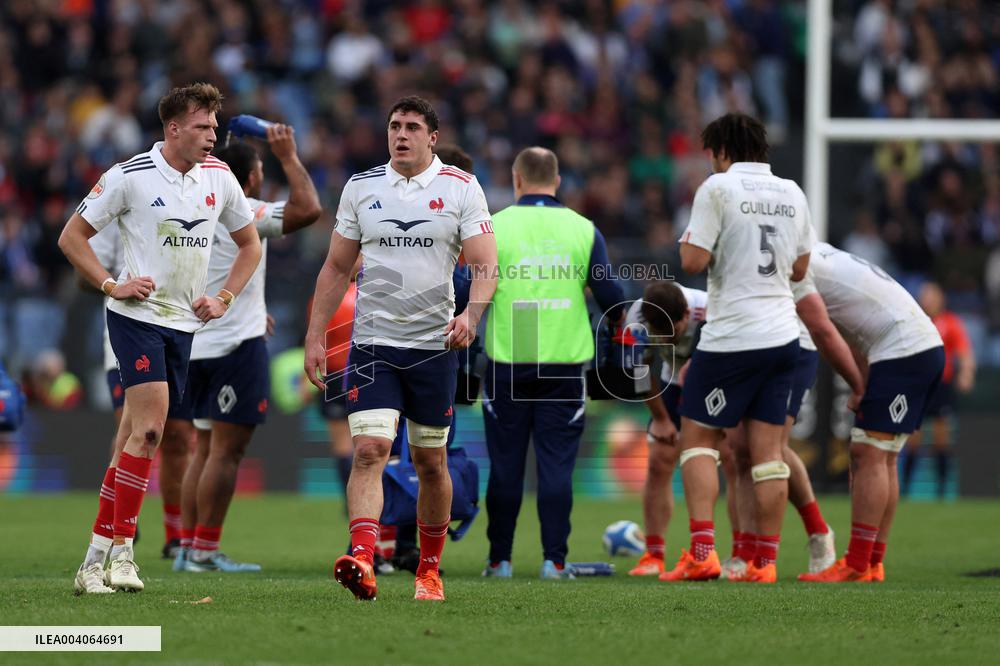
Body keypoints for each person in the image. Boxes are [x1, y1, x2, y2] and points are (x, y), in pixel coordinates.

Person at [58, 82, 261, 594]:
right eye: (202, 126)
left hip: (183, 326)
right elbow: (71, 237)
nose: (213, 134)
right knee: (149, 433)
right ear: (173, 129)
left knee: (138, 438)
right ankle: (123, 553)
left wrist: (225, 299)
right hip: (135, 317)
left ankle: (93, 563)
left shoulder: (219, 178)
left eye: (215, 126)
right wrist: (111, 284)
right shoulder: (129, 177)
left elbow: (249, 245)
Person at [304, 96, 497, 602]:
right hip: (372, 345)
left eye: (412, 127)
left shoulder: (461, 187)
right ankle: (364, 558)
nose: (401, 134)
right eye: (394, 126)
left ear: (433, 137)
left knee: (431, 462)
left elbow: (484, 264)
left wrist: (471, 315)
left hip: (434, 347)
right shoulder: (361, 188)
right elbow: (335, 268)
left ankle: (428, 571)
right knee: (370, 450)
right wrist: (316, 335)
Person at [664, 113, 814, 584]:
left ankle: (703, 552)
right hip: (783, 334)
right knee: (770, 453)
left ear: (721, 150)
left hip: (733, 336)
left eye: (711, 153)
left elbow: (692, 260)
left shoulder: (719, 188)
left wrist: (696, 239)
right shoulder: (793, 191)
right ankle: (764, 564)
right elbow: (799, 266)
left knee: (699, 439)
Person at [171, 123, 322, 572]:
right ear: (252, 179)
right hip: (233, 345)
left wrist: (252, 305)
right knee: (225, 452)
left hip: (194, 342)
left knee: (202, 448)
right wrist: (290, 156)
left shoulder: (194, 205)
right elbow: (308, 209)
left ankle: (187, 547)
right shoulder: (248, 210)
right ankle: (205, 551)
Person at [481, 146, 625, 580]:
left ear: (517, 179)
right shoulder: (583, 230)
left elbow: (468, 287)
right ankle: (554, 561)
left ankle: (500, 561)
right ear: (557, 181)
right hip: (562, 365)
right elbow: (612, 299)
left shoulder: (494, 227)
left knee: (505, 466)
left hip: (509, 360)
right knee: (556, 467)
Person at [799, 244, 944, 583]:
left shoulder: (796, 266)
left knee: (868, 454)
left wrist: (857, 384)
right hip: (915, 347)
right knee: (884, 456)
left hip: (903, 351)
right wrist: (862, 380)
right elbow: (854, 328)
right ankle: (871, 562)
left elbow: (824, 332)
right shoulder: (821, 255)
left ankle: (857, 563)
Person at [723, 283, 865, 579]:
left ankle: (809, 535)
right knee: (740, 451)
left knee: (770, 448)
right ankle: (745, 551)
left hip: (791, 343)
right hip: (743, 342)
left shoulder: (791, 244)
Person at [86, 224, 188, 557]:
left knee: (173, 436)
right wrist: (113, 281)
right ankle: (118, 531)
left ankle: (173, 534)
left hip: (175, 327)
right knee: (132, 430)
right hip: (125, 334)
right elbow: (79, 268)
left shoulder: (174, 203)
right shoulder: (112, 209)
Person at [620, 281, 706, 577]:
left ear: (686, 314)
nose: (668, 339)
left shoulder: (710, 308)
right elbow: (641, 372)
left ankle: (742, 554)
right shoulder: (636, 322)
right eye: (661, 334)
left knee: (733, 459)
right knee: (658, 462)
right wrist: (661, 418)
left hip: (715, 380)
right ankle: (654, 555)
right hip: (674, 377)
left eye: (674, 331)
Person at [901, 282, 975, 498]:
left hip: (941, 386)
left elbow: (964, 351)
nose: (928, 300)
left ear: (941, 299)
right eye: (925, 296)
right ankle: (905, 489)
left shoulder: (950, 323)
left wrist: (966, 373)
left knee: (941, 440)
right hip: (918, 386)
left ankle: (942, 492)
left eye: (932, 296)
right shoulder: (913, 322)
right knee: (912, 439)